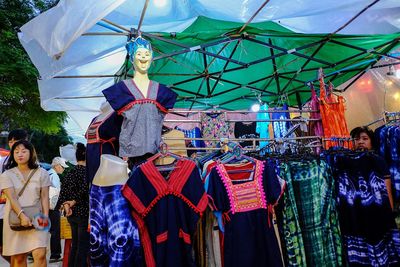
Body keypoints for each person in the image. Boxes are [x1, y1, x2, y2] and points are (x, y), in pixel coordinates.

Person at [0, 140, 50, 266]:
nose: (20, 154)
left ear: (31, 152)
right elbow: (12, 198)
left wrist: (45, 217)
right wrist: (22, 216)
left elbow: (44, 197)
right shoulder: (7, 174)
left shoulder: (42, 172)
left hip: (38, 218)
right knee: (18, 257)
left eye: (23, 151)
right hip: (15, 219)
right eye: (16, 152)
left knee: (40, 254)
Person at [57, 143, 89, 267]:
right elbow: (85, 190)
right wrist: (74, 201)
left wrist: (66, 205)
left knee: (75, 244)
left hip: (71, 213)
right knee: (82, 246)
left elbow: (63, 192)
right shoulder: (88, 173)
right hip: (84, 213)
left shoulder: (70, 173)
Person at [0, 129, 28, 264]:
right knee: (5, 250)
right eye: (10, 142)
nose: (12, 144)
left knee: (19, 252)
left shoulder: (32, 164)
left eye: (15, 141)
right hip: (3, 211)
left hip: (23, 212)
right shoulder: (3, 161)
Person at [350, 126, 394, 209]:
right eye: (357, 139)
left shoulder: (379, 161)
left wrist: (390, 211)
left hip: (377, 206)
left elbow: (387, 190)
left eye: (365, 139)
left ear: (371, 141)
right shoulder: (348, 161)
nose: (360, 142)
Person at [48, 157, 69, 263]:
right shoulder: (54, 176)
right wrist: (61, 204)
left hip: (44, 207)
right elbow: (56, 194)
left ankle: (33, 253)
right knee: (56, 231)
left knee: (43, 230)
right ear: (56, 166)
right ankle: (55, 254)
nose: (63, 169)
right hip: (53, 207)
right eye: (62, 167)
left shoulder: (47, 174)